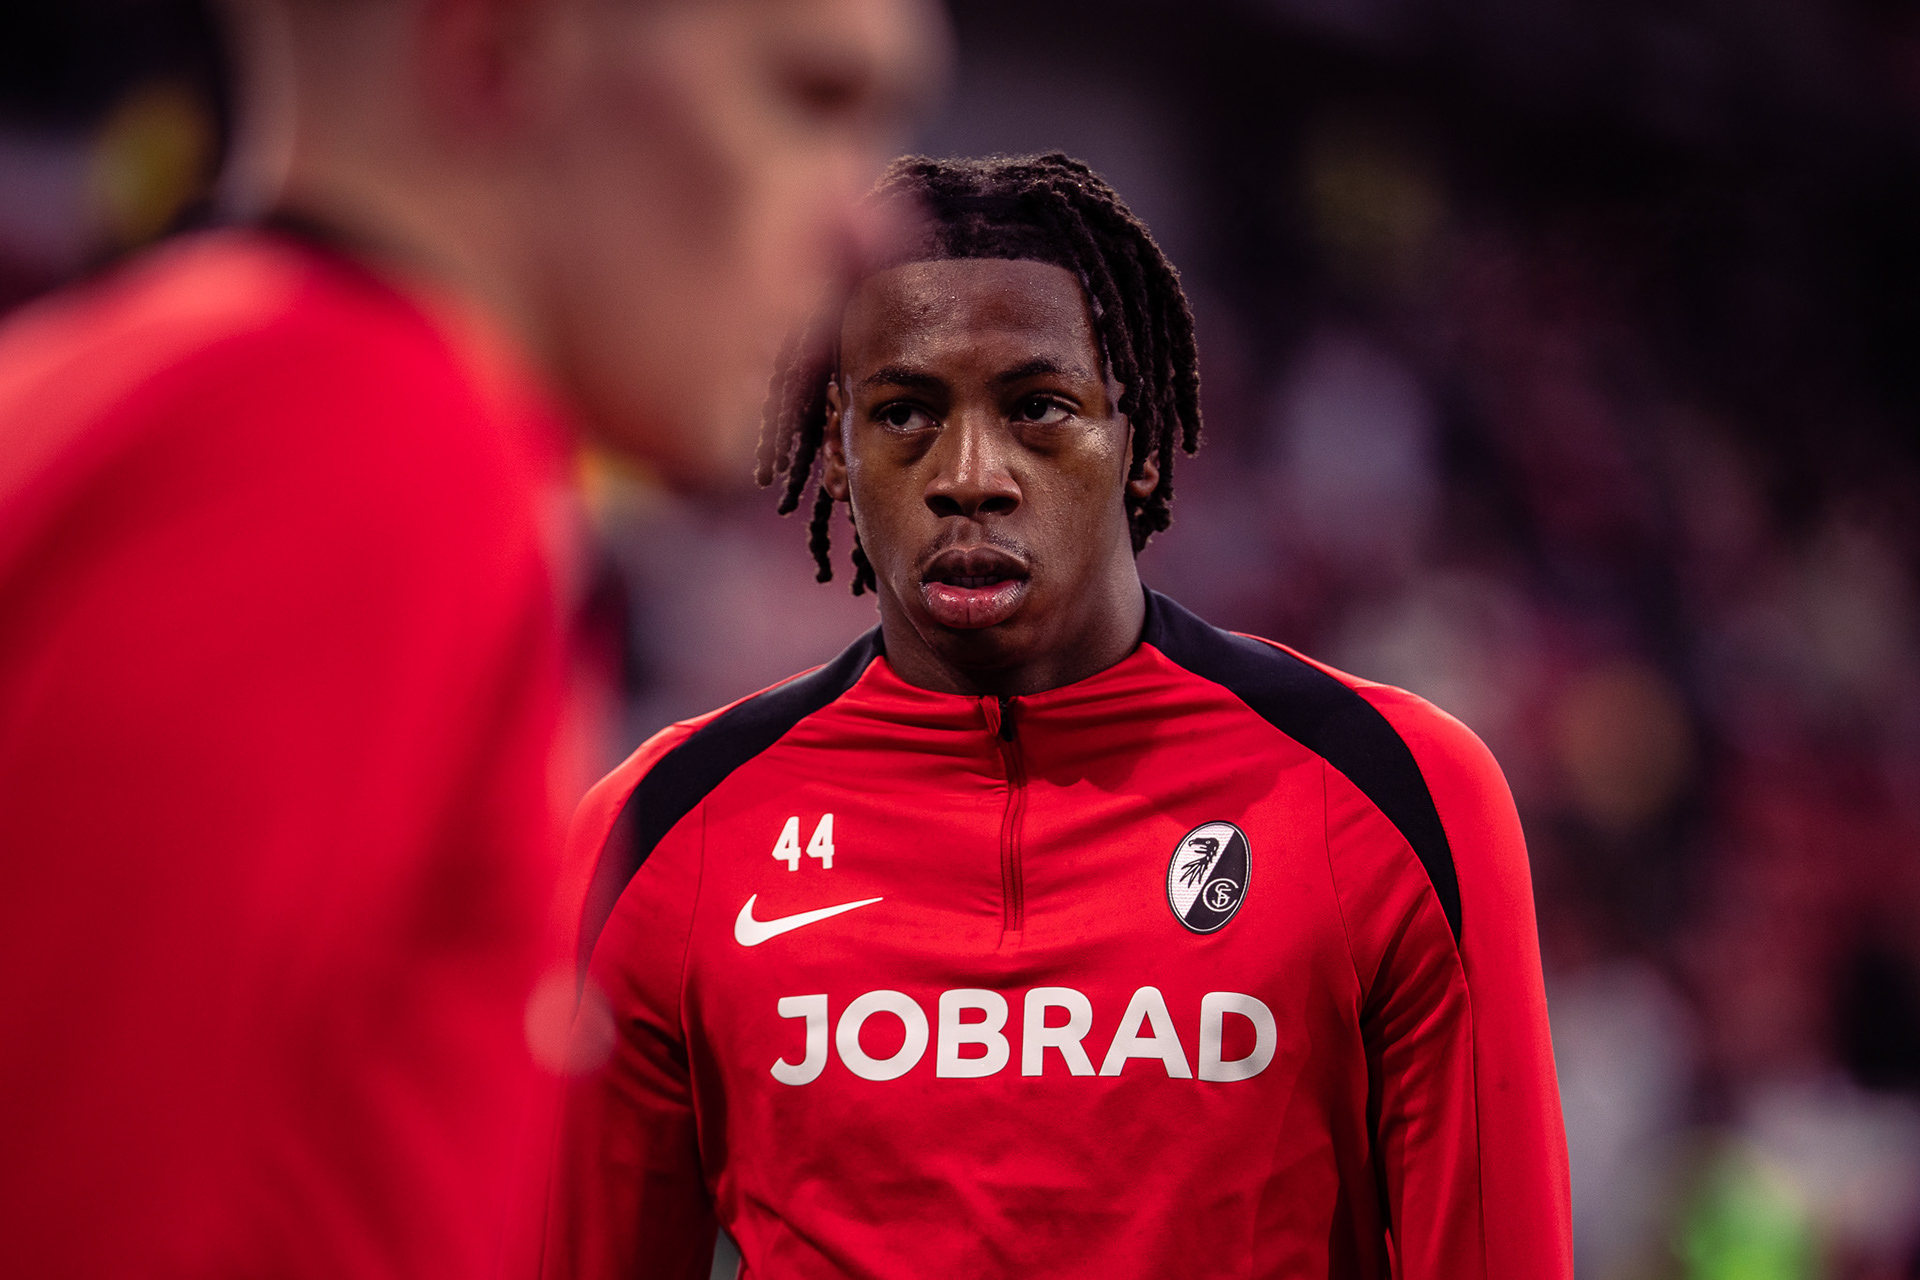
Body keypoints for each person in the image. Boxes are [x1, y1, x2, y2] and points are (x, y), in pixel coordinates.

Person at [0, 0, 943, 1275]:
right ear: (497, 54)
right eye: (811, 97)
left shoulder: (149, 372)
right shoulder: (356, 440)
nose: (873, 227)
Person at [543, 153, 1573, 1279]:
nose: (970, 475)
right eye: (905, 413)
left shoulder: (1395, 795)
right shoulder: (660, 836)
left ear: (1139, 443)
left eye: (1038, 408)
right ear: (836, 451)